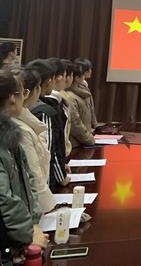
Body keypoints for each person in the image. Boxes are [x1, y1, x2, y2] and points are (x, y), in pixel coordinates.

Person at [0, 69, 49, 263]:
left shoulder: (10, 134)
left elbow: (28, 182)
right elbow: (3, 198)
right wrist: (29, 232)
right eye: (23, 93)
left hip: (16, 238)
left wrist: (33, 224)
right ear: (13, 98)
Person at [13, 67, 55, 214]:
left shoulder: (25, 119)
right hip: (29, 209)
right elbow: (33, 176)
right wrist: (49, 209)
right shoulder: (20, 130)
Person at [27, 59, 69, 190]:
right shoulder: (44, 110)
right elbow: (48, 152)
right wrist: (60, 177)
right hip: (43, 184)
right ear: (50, 80)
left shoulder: (38, 106)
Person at [63, 62, 95, 149]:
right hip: (74, 144)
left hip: (82, 141)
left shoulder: (83, 91)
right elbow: (75, 123)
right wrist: (88, 138)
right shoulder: (69, 96)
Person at [73, 58, 97, 128]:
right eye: (89, 69)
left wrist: (94, 121)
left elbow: (90, 105)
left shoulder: (84, 84)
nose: (90, 71)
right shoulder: (73, 86)